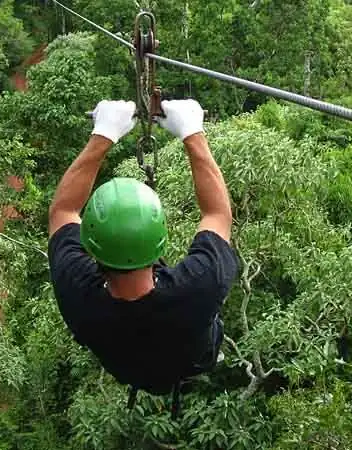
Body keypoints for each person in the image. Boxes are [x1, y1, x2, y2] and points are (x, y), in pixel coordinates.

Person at [47, 99, 239, 396]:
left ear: (92, 245)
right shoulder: (199, 287)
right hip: (193, 357)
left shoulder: (77, 291)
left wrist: (104, 135)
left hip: (129, 364)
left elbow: (63, 211)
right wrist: (192, 133)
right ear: (162, 237)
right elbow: (217, 214)